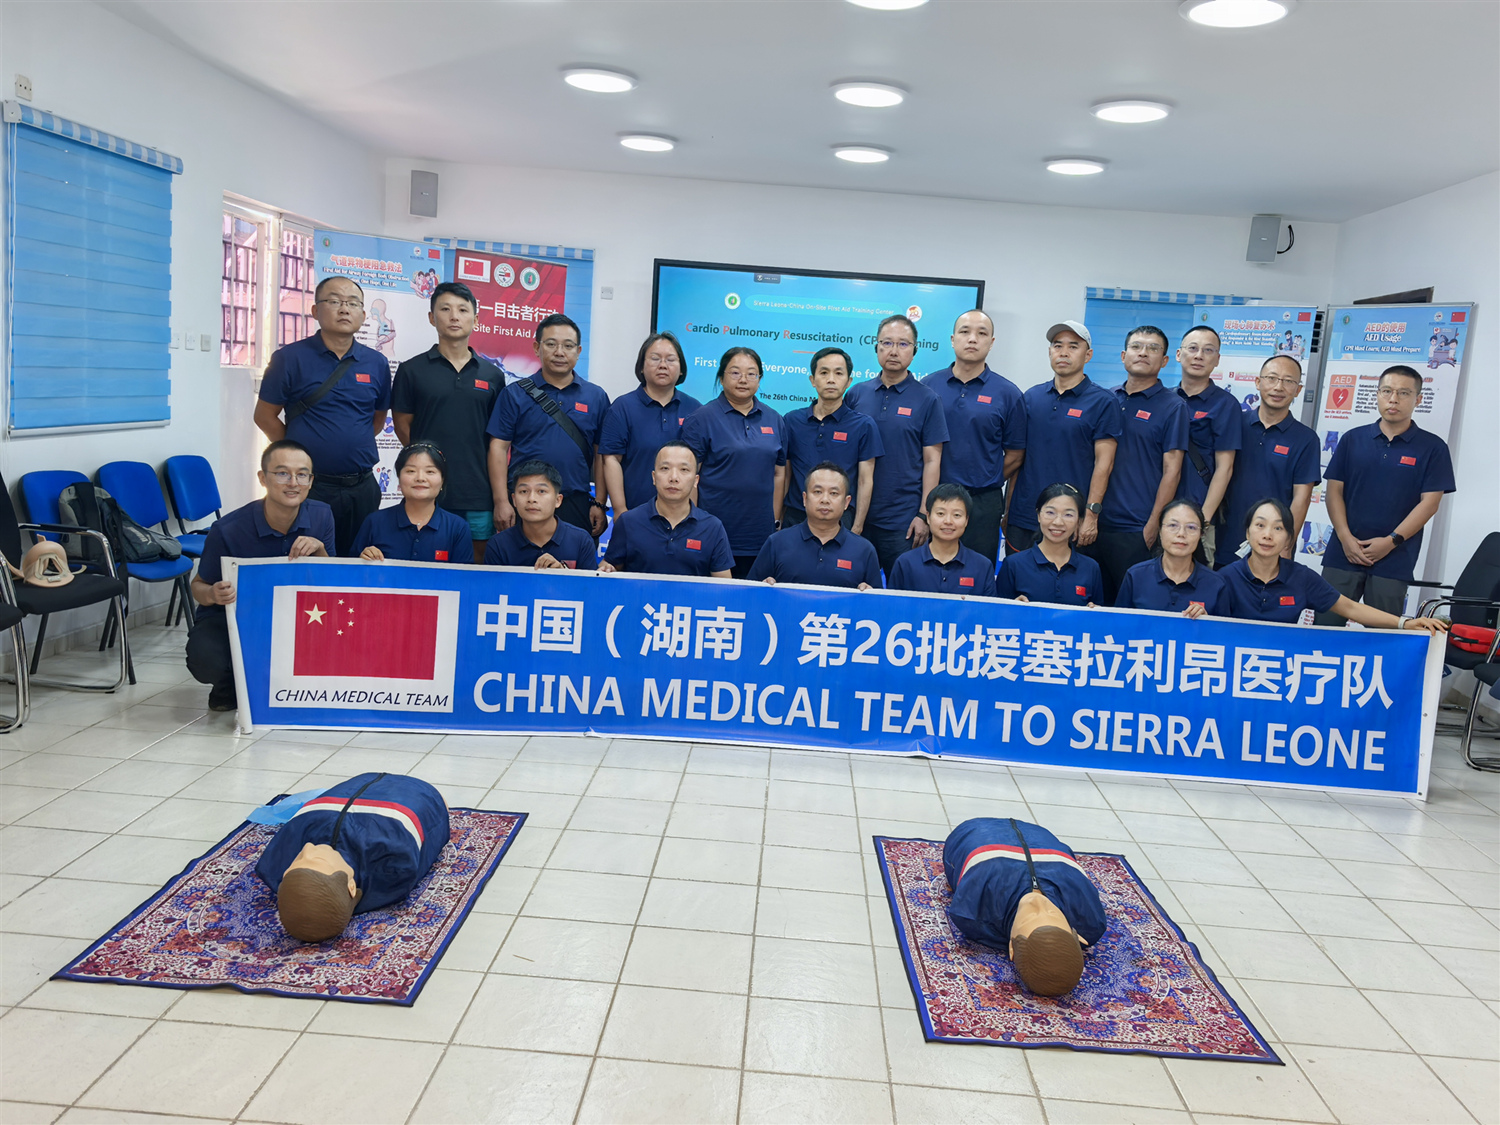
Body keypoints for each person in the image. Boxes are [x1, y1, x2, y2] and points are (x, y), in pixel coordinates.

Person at [186, 441, 334, 711]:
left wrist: (320, 549)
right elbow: (198, 586)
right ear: (263, 478)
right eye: (282, 473)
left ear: (311, 481)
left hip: (297, 613)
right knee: (206, 660)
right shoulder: (228, 529)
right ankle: (228, 685)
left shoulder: (322, 516)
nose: (293, 483)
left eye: (302, 474)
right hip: (237, 614)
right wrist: (213, 594)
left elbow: (331, 583)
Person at [254, 276, 390, 557]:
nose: (344, 309)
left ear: (364, 315)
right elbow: (264, 416)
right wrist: (296, 452)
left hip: (361, 487)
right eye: (334, 301)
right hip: (310, 487)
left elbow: (376, 420)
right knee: (307, 561)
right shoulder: (289, 358)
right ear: (315, 310)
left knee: (359, 561)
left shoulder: (376, 362)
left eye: (353, 303)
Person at [1318, 364, 1456, 623]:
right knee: (1325, 628)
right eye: (1387, 391)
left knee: (1384, 633)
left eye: (1404, 393)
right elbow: (1334, 491)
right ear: (1378, 394)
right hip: (1343, 552)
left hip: (1394, 557)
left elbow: (1429, 504)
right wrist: (1345, 538)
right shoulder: (1352, 439)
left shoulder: (1433, 447)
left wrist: (1391, 541)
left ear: (1418, 399)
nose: (1393, 399)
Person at [255, 773, 450, 943]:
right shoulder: (394, 859)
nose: (307, 848)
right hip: (417, 790)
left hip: (358, 783)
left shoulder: (281, 856)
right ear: (350, 886)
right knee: (442, 803)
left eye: (296, 860)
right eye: (318, 859)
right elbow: (434, 830)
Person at [390, 281, 504, 560]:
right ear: (432, 317)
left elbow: (497, 438)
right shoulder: (411, 370)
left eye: (463, 310)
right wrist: (426, 463)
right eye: (445, 309)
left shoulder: (492, 375)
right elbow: (402, 425)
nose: (454, 316)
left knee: (476, 567)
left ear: (476, 319)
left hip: (478, 491)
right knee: (424, 561)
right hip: (426, 488)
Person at [1221, 499, 1449, 632]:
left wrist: (1405, 623)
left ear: (1290, 537)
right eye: (1260, 525)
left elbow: (1350, 608)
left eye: (1278, 528)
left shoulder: (1301, 577)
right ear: (1247, 533)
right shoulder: (1225, 578)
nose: (1267, 535)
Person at [942, 818, 1107, 998]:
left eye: (1030, 916)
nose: (1037, 902)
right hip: (1039, 833)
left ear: (1011, 948)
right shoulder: (1089, 913)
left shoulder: (973, 910)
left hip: (972, 830)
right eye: (1052, 911)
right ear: (1076, 934)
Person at [485, 313, 610, 539]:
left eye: (568, 346)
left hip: (576, 502)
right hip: (525, 501)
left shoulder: (596, 397)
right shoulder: (514, 394)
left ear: (578, 352)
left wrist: (599, 503)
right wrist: (501, 501)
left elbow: (601, 455)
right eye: (551, 344)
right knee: (521, 560)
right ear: (537, 348)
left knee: (574, 560)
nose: (559, 352)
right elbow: (498, 448)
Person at [1088, 326, 1188, 603]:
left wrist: (1154, 525)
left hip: (1135, 528)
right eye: (1136, 347)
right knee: (1092, 606)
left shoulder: (1173, 406)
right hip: (1093, 524)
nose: (1143, 353)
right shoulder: (1107, 399)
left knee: (1131, 608)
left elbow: (1172, 471)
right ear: (1123, 356)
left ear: (1164, 361)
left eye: (1153, 348)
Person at [846, 314, 949, 576]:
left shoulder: (927, 399)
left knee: (903, 591)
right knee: (852, 589)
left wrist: (924, 514)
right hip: (856, 515)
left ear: (915, 350)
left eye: (903, 344)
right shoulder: (856, 394)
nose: (894, 351)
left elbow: (932, 460)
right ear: (876, 347)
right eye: (887, 343)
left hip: (903, 521)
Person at [1006, 321, 1120, 557]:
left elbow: (1104, 464)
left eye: (1073, 346)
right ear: (1050, 352)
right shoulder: (1031, 397)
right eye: (1058, 346)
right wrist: (1008, 511)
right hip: (1025, 516)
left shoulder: (1103, 402)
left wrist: (1091, 514)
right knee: (1017, 578)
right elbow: (1019, 459)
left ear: (1088, 355)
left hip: (1070, 521)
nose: (1064, 352)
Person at [922, 310, 1026, 565]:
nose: (972, 339)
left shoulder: (1008, 393)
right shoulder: (928, 386)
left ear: (991, 342)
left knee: (977, 572)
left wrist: (987, 477)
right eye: (965, 332)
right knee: (929, 570)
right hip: (934, 500)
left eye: (981, 333)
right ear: (952, 339)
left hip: (983, 503)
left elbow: (1016, 454)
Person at [681, 347, 789, 577]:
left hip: (760, 536)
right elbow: (689, 476)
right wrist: (694, 523)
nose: (743, 379)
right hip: (713, 531)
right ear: (721, 378)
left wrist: (775, 519)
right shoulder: (701, 419)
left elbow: (779, 474)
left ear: (759, 378)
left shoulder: (775, 419)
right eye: (735, 372)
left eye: (751, 373)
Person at [1218, 355, 1320, 564]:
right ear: (1258, 382)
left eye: (1288, 381)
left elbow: (1301, 498)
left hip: (1272, 545)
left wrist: (1286, 545)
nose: (1278, 387)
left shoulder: (1306, 439)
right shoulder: (1235, 424)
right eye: (1271, 378)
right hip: (1225, 538)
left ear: (1298, 390)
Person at [600, 332, 703, 514]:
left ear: (681, 369)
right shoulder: (622, 407)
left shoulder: (695, 409)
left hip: (682, 515)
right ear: (641, 367)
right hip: (634, 512)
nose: (662, 365)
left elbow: (697, 466)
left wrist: (691, 515)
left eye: (670, 360)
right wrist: (620, 509)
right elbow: (611, 460)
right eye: (655, 358)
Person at [782, 347, 882, 533]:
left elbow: (865, 481)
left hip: (841, 519)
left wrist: (858, 526)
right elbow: (785, 475)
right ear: (812, 380)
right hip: (796, 516)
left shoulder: (863, 425)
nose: (831, 379)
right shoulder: (791, 421)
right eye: (824, 373)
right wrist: (779, 517)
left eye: (838, 373)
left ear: (849, 381)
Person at [600, 441, 733, 578]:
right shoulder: (628, 522)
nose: (673, 478)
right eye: (665, 468)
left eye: (684, 470)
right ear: (654, 477)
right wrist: (606, 569)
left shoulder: (712, 528)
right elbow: (609, 568)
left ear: (696, 480)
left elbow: (724, 585)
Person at [746, 463, 881, 589]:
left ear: (846, 502)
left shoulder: (864, 551)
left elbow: (879, 602)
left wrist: (870, 596)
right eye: (817, 492)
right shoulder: (777, 543)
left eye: (834, 493)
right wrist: (762, 589)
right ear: (805, 499)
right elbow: (749, 594)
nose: (825, 500)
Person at [1173, 326, 1241, 565]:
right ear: (1179, 354)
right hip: (1160, 512)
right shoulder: (1165, 399)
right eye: (1193, 348)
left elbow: (1225, 468)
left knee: (1197, 579)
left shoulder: (1226, 404)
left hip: (1199, 512)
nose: (1199, 356)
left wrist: (1203, 520)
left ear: (1217, 359)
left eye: (1208, 350)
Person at [350, 443, 473, 564]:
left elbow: (464, 575)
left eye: (430, 471)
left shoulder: (457, 528)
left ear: (442, 480)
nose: (420, 478)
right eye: (411, 471)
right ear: (399, 477)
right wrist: (364, 559)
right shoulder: (375, 522)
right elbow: (352, 570)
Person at [1115, 498, 1229, 617]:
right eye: (1173, 525)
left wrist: (1207, 621)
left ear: (1201, 535)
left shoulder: (1216, 584)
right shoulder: (1136, 576)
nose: (1181, 534)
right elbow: (1118, 623)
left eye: (1191, 527)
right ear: (1160, 531)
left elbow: (1224, 628)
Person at [996, 483, 1103, 606]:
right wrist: (1012, 608)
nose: (1058, 522)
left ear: (1079, 521)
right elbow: (996, 612)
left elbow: (1098, 613)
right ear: (1038, 515)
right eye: (1050, 512)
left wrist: (1095, 612)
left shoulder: (1090, 568)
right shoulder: (1014, 564)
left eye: (1068, 515)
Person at [482, 460, 597, 570]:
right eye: (524, 491)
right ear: (514, 500)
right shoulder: (498, 545)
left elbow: (590, 583)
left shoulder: (581, 541)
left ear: (558, 500)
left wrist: (563, 573)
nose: (531, 499)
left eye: (541, 491)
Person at [887, 483, 998, 596]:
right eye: (941, 513)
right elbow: (892, 605)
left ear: (966, 520)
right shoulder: (906, 563)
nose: (948, 521)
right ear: (928, 517)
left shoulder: (982, 567)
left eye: (956, 515)